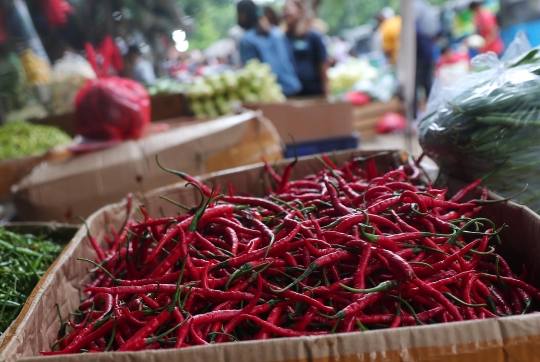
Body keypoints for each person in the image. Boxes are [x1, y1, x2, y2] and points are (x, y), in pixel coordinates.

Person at [237, 0, 301, 97]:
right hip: (292, 87)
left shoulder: (246, 39)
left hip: (271, 95)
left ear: (243, 14)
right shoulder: (277, 32)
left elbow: (251, 72)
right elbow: (291, 60)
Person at [282, 0, 330, 97]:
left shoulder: (313, 36)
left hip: (314, 92)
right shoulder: (283, 38)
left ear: (300, 11)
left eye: (288, 9)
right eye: (284, 10)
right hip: (292, 94)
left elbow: (323, 63)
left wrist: (326, 92)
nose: (285, 13)